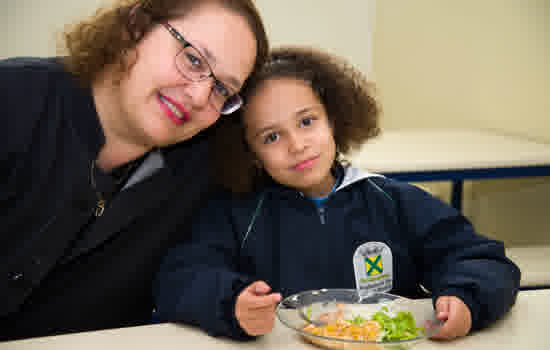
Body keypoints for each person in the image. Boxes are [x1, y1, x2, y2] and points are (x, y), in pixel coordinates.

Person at [153, 46, 521, 341]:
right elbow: (178, 278)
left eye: (307, 121)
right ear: (248, 151)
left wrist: (465, 298)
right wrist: (230, 302)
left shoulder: (392, 201)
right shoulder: (234, 214)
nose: (297, 145)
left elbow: (482, 259)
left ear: (334, 118)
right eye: (271, 136)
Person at [0, 0, 268, 341]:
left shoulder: (203, 171)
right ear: (135, 27)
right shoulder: (13, 99)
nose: (200, 96)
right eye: (193, 59)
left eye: (221, 89)